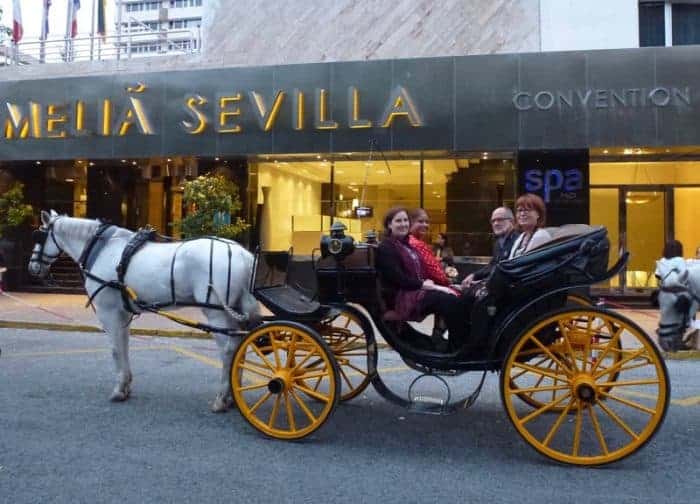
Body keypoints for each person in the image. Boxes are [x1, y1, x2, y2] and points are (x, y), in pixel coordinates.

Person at [376, 207, 465, 351]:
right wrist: (426, 285)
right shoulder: (387, 247)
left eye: (405, 220)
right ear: (389, 225)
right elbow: (398, 279)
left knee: (452, 298)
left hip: (414, 290)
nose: (403, 224)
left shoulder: (406, 245)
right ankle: (457, 348)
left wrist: (437, 285)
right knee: (449, 301)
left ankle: (451, 343)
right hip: (401, 297)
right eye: (398, 221)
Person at [462, 206, 519, 288]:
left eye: (500, 219)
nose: (496, 223)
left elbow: (507, 270)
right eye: (493, 221)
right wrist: (474, 275)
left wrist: (484, 283)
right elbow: (493, 265)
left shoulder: (518, 240)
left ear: (511, 221)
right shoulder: (498, 243)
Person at [407, 208, 457, 290]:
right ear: (410, 223)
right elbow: (435, 272)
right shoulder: (417, 244)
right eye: (420, 221)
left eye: (427, 222)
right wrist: (448, 282)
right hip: (424, 288)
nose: (425, 225)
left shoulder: (409, 241)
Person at [508, 193, 551, 259]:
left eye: (527, 210)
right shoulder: (521, 236)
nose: (522, 214)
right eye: (519, 210)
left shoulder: (541, 236)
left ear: (538, 214)